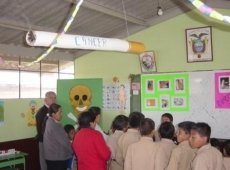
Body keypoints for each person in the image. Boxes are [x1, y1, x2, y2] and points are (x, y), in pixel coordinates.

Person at [43, 103, 73, 170]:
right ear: (53, 114)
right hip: (56, 159)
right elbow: (64, 142)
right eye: (60, 112)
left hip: (52, 157)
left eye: (61, 112)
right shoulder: (54, 125)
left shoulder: (50, 122)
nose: (62, 114)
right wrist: (73, 150)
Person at [35, 91, 56, 170]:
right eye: (51, 98)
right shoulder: (42, 112)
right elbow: (42, 129)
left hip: (51, 141)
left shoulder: (52, 111)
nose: (53, 100)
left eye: (55, 98)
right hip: (44, 141)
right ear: (45, 100)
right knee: (44, 163)